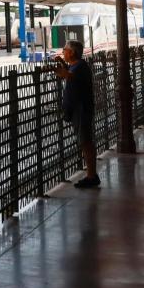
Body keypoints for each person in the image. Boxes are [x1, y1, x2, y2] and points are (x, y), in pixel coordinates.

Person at [53, 40, 98, 188]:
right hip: (79, 109)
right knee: (85, 142)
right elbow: (72, 73)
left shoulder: (80, 67)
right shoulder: (78, 66)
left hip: (82, 110)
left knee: (86, 142)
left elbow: (71, 76)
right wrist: (63, 65)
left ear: (72, 52)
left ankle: (92, 176)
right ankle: (91, 175)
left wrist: (61, 72)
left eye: (65, 50)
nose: (63, 52)